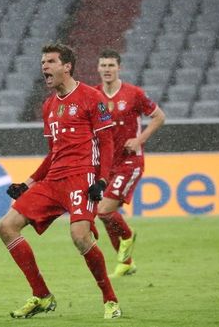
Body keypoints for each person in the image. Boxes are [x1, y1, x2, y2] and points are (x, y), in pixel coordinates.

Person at [0, 43, 122, 320]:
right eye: (43, 62)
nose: (44, 67)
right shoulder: (49, 106)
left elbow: (106, 141)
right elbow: (53, 153)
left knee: (79, 236)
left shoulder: (92, 97)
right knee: (6, 227)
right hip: (54, 180)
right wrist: (27, 184)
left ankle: (110, 299)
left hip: (82, 177)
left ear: (67, 66)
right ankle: (41, 295)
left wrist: (102, 180)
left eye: (51, 62)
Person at [95, 50, 165, 277]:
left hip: (129, 162)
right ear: (98, 69)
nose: (107, 69)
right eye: (103, 65)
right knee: (106, 217)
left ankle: (127, 235)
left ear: (119, 68)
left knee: (104, 210)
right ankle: (126, 263)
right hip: (106, 164)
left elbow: (159, 116)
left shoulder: (133, 94)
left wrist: (139, 140)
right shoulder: (93, 95)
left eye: (111, 65)